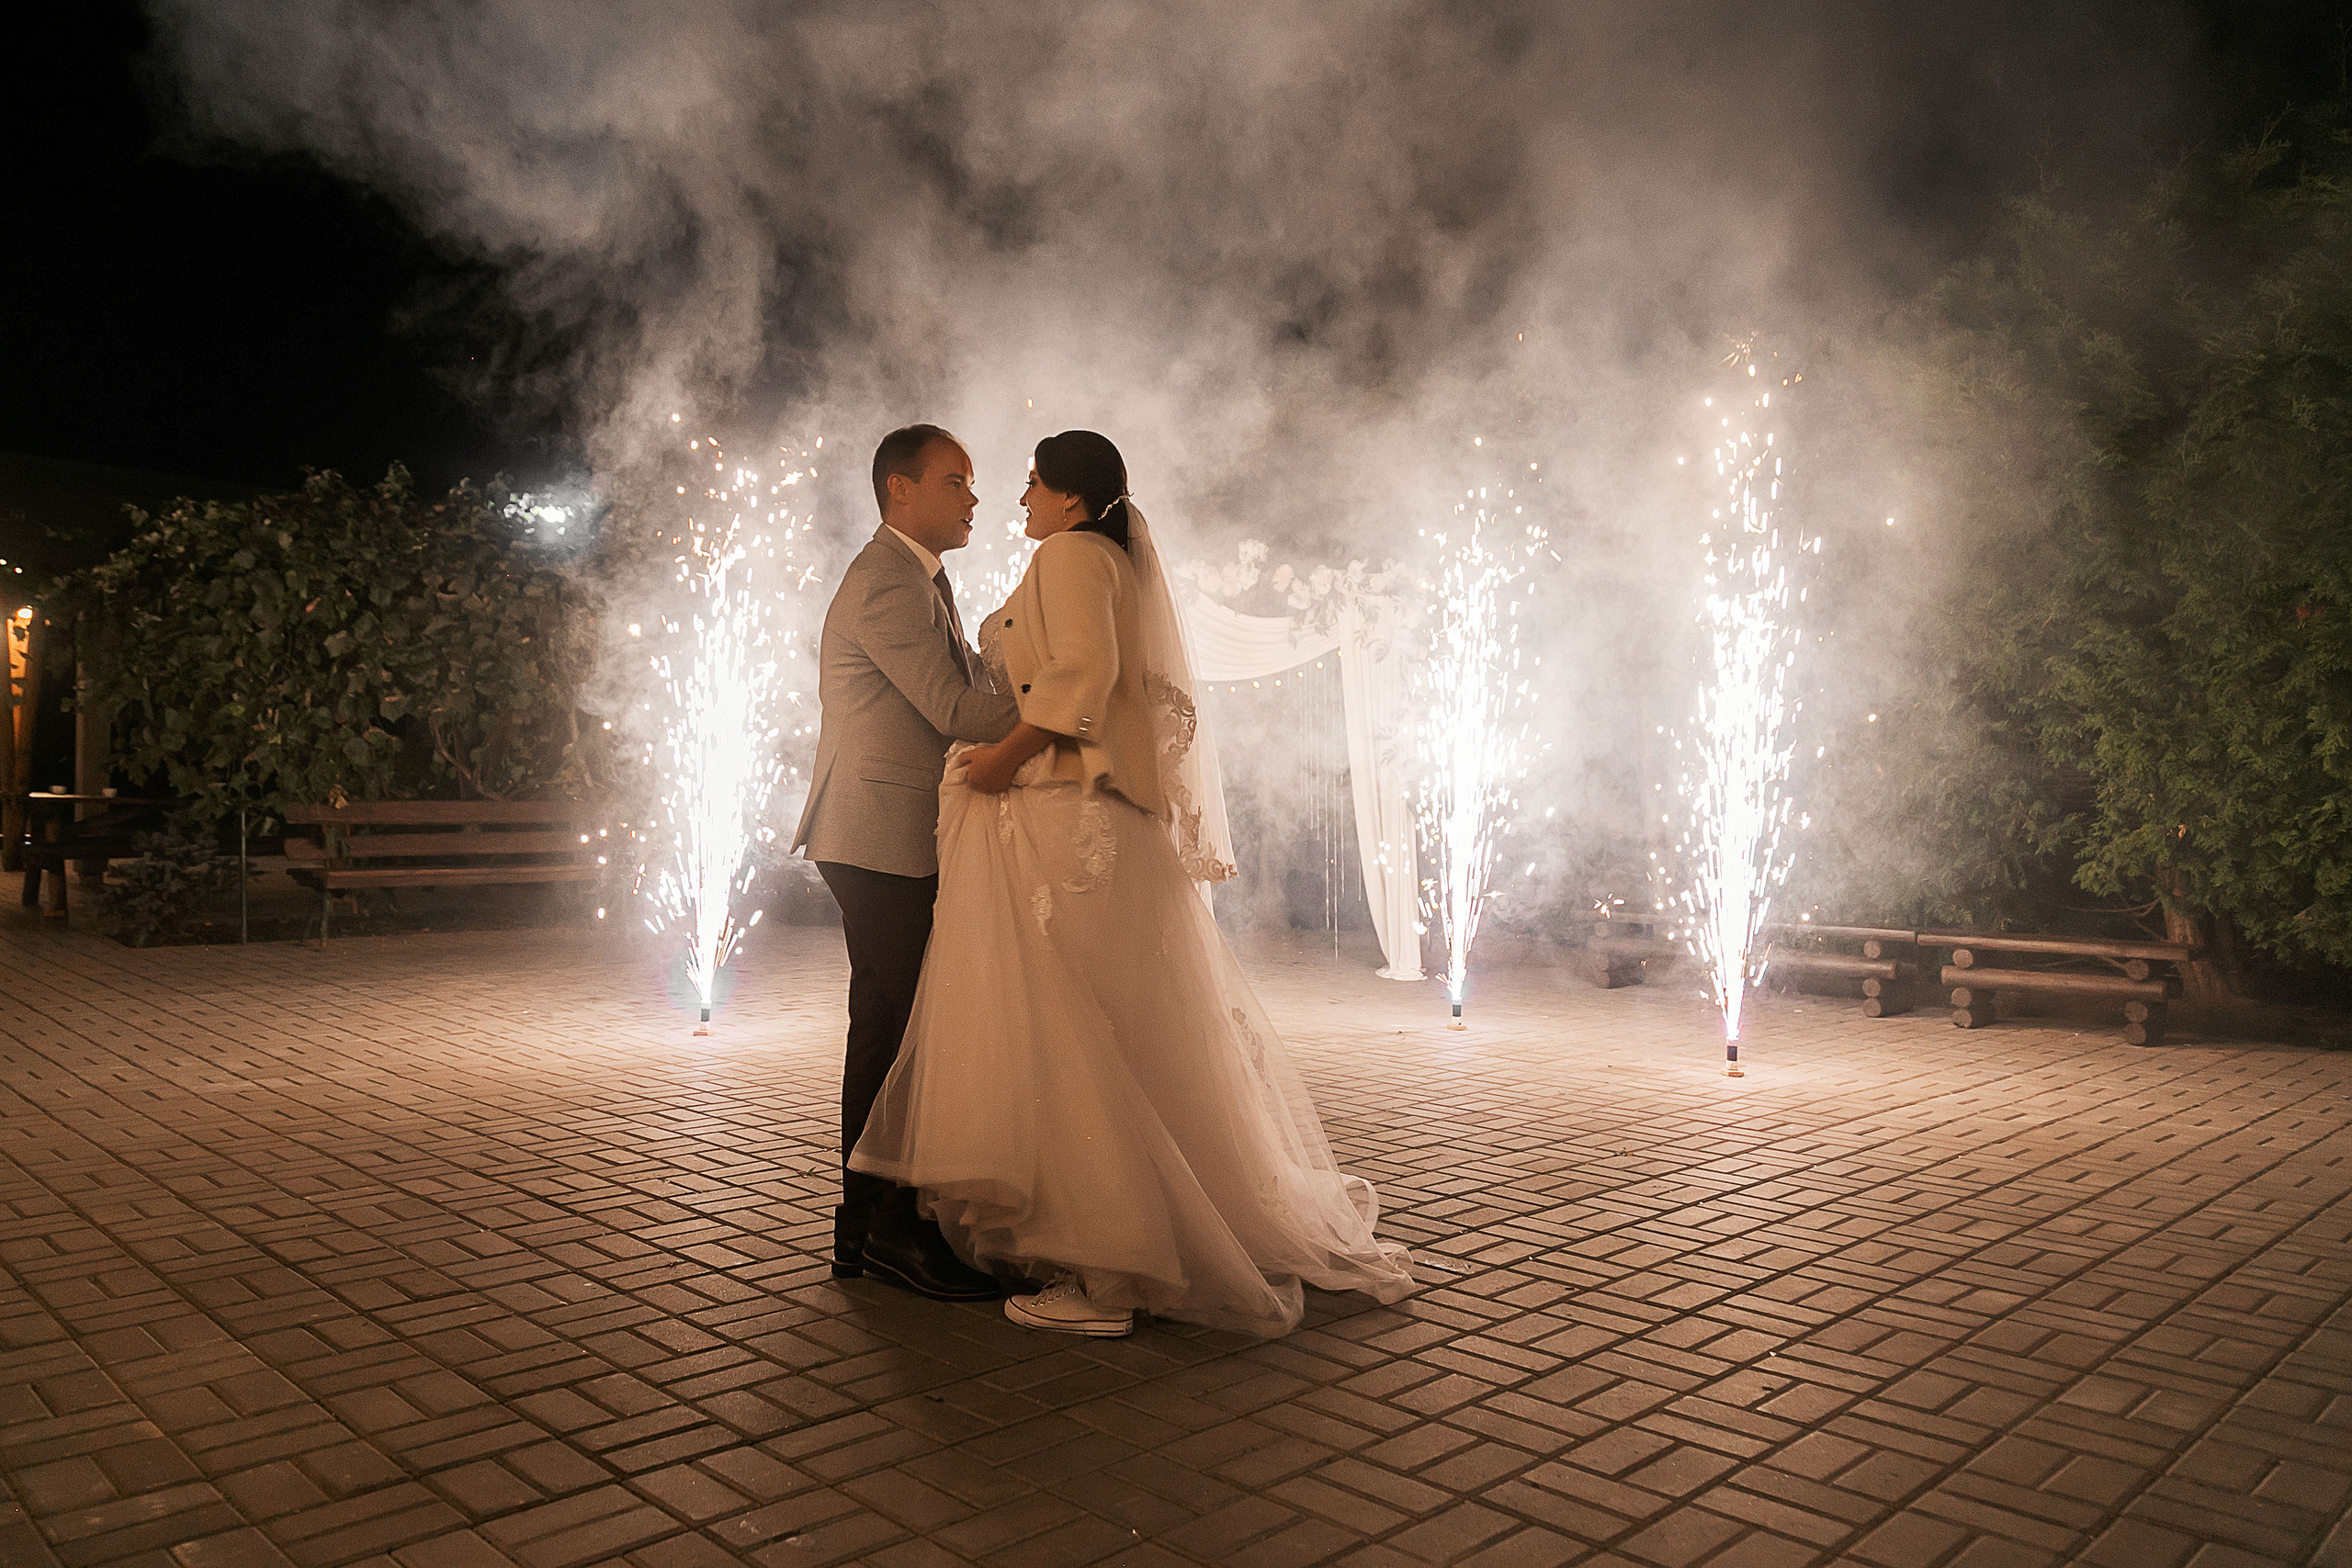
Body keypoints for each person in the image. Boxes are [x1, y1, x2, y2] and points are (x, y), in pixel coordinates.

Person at [851, 429, 1415, 1337]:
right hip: (1069, 819)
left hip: (1071, 820)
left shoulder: (1073, 557)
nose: (1017, 498)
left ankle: (1108, 1274)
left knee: (1077, 1033)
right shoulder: (1087, 557)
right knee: (1099, 1027)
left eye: (1032, 483)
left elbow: (1082, 676)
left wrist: (1002, 756)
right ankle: (1114, 1235)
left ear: (1071, 498)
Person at [790, 424, 1018, 1303]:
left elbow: (957, 684)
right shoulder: (886, 579)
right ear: (900, 489)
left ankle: (867, 1232)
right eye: (956, 480)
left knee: (887, 1025)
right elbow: (955, 706)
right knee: (897, 1030)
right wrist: (1065, 702)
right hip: (874, 834)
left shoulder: (922, 574)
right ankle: (886, 1229)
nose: (972, 497)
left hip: (886, 833)